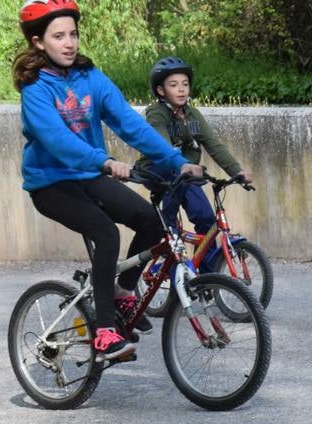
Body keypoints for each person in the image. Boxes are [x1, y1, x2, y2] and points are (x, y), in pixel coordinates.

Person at [13, 0, 202, 364]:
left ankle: (121, 290)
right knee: (106, 232)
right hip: (51, 183)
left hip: (88, 175)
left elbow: (130, 125)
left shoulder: (90, 77)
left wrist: (177, 161)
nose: (69, 43)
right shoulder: (35, 88)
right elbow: (56, 139)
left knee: (150, 219)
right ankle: (103, 332)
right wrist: (104, 161)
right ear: (38, 42)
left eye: (73, 34)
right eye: (58, 36)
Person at [140, 57, 252, 237]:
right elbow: (162, 147)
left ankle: (206, 265)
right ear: (161, 90)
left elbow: (214, 145)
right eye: (174, 85)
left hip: (186, 175)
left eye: (185, 84)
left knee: (207, 220)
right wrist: (182, 165)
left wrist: (237, 172)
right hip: (156, 170)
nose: (181, 89)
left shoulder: (193, 115)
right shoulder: (157, 113)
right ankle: (167, 227)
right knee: (176, 176)